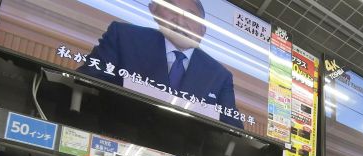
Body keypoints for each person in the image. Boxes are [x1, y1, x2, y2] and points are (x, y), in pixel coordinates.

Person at [79, 0, 243, 129]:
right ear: (155, 11)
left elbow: (233, 128)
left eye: (191, 16)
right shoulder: (124, 36)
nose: (180, 21)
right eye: (172, 10)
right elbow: (85, 81)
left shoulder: (220, 75)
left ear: (202, 30)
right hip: (116, 137)